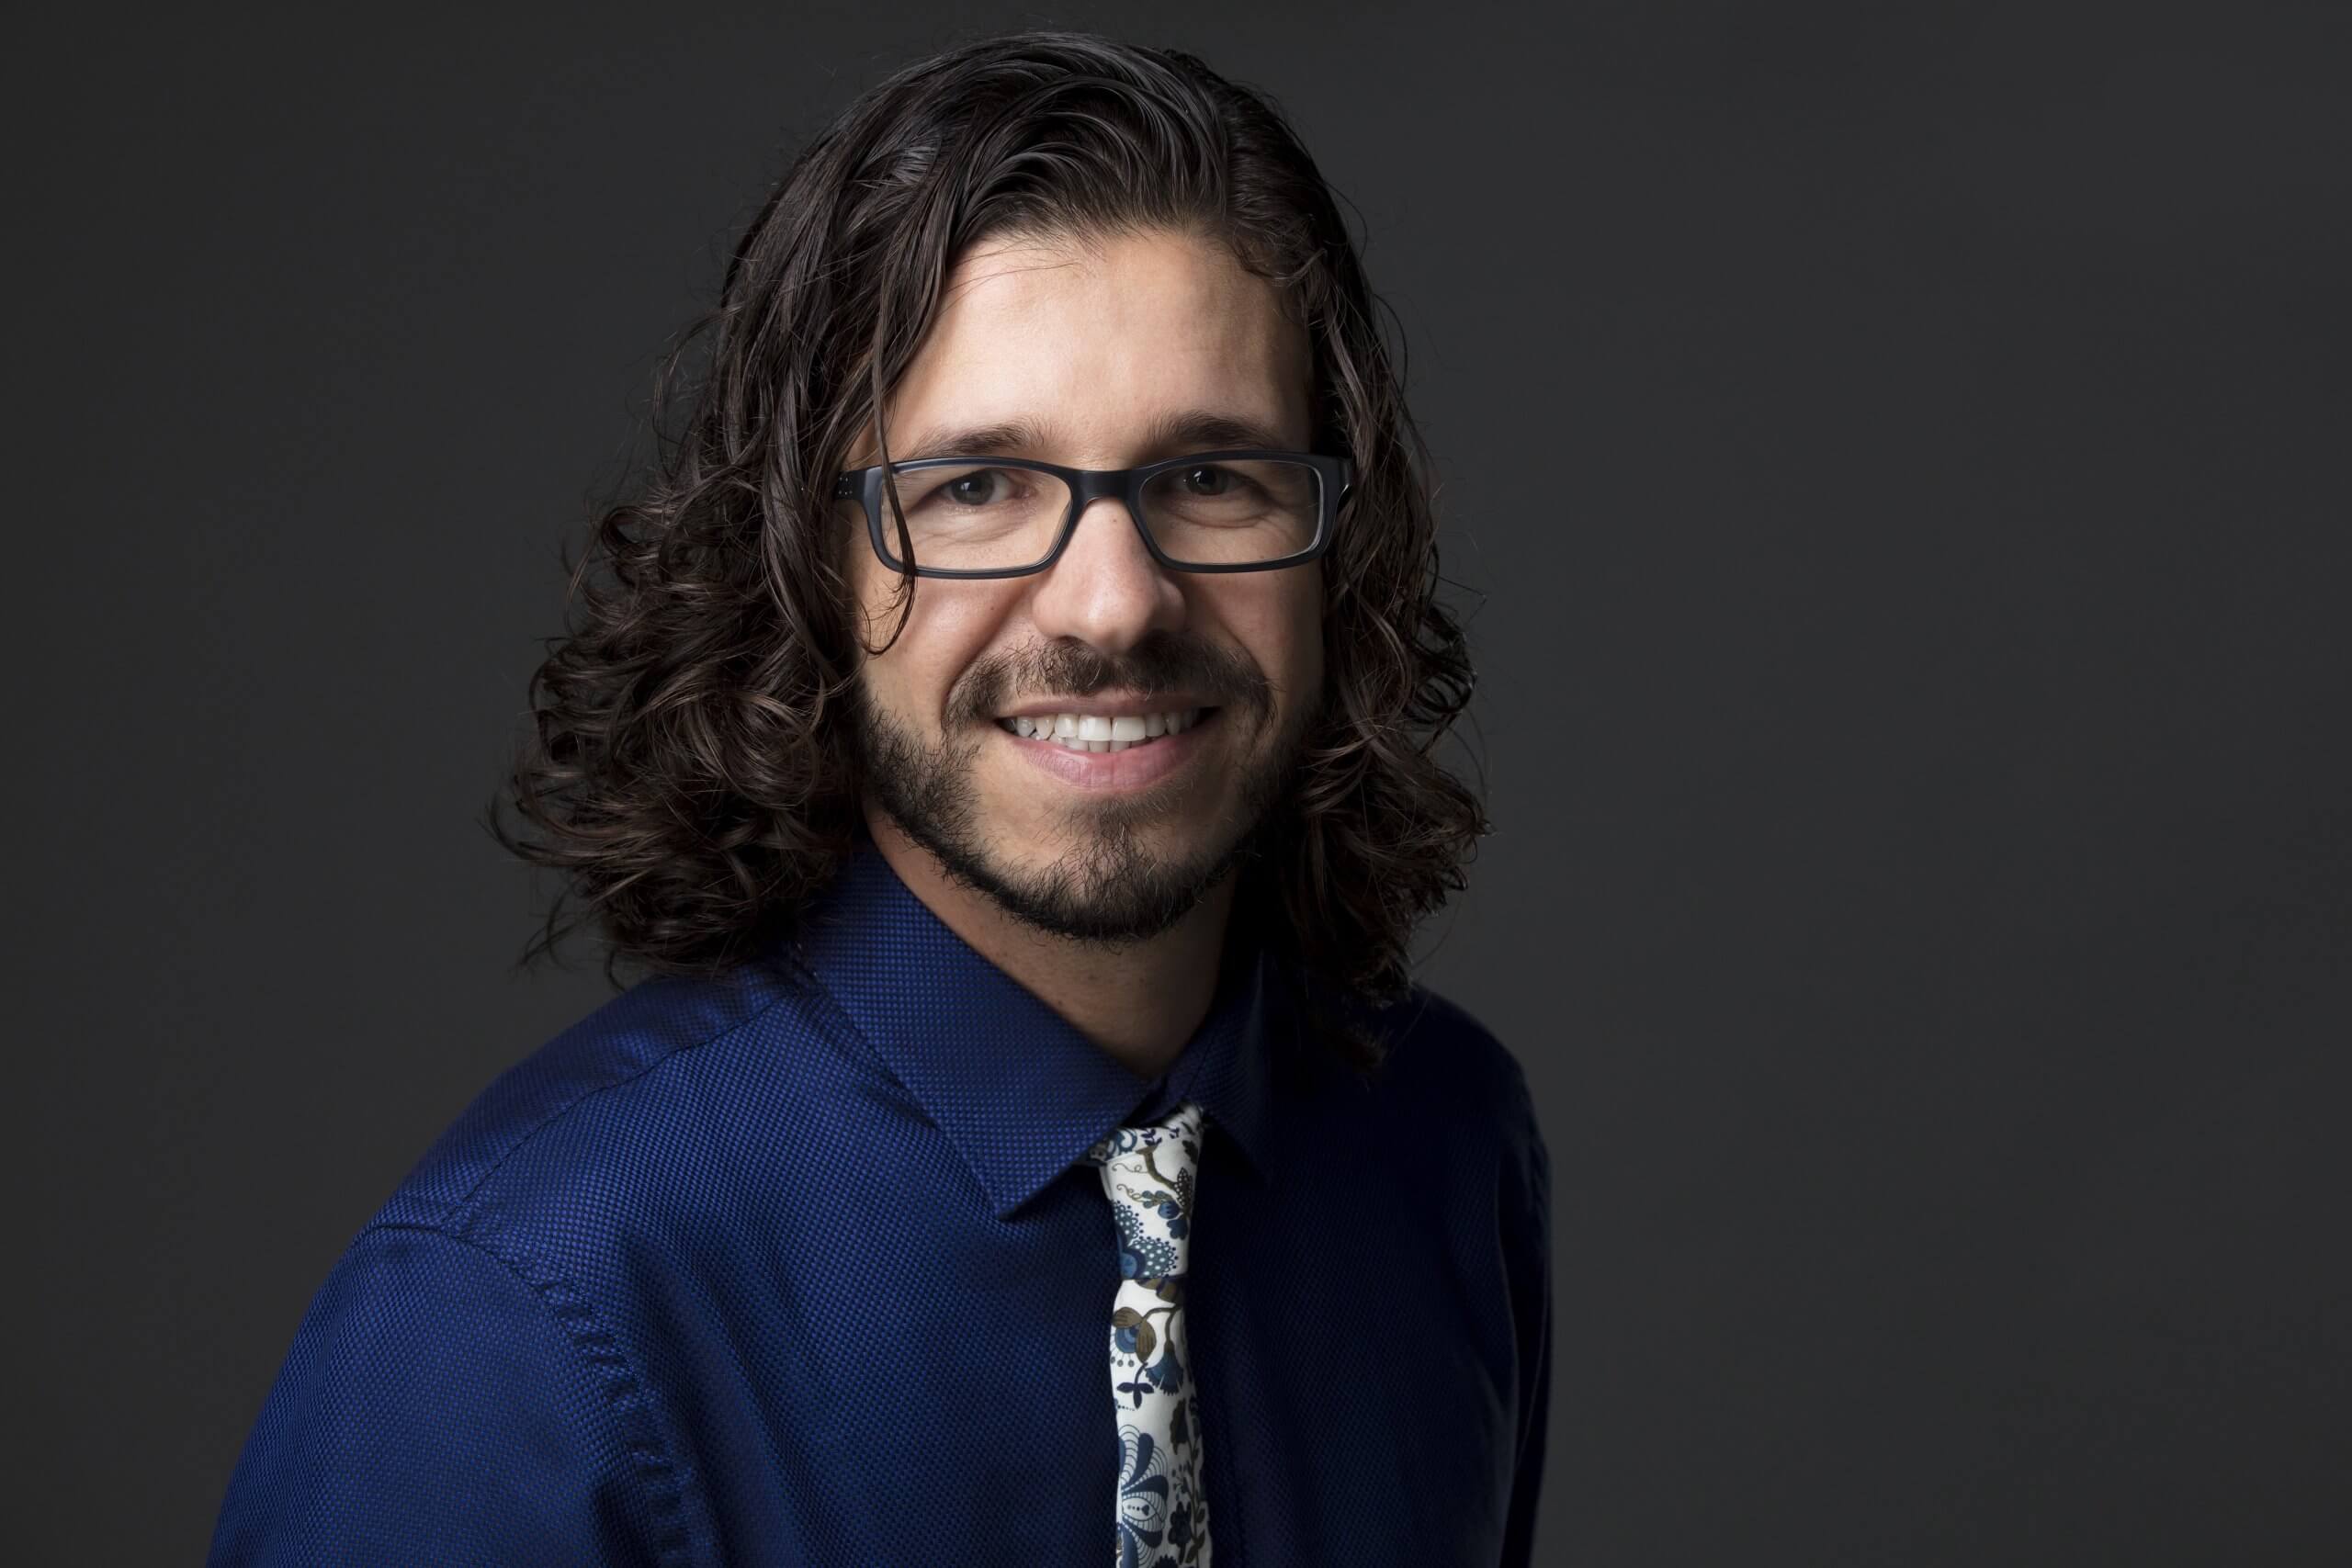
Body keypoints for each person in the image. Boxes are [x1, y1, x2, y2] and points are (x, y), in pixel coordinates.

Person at [209, 28, 1551, 1567]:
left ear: (1336, 545)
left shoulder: (1446, 1151)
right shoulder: (502, 1318)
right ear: (809, 562)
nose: (1114, 604)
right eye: (976, 488)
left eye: (1210, 478)